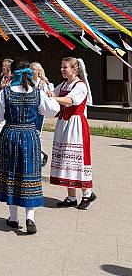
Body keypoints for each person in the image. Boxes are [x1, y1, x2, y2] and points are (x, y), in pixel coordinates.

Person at [0, 60, 59, 234]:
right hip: (30, 136)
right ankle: (30, 218)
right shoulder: (37, 93)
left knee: (11, 172)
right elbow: (53, 110)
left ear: (13, 73)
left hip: (10, 134)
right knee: (29, 173)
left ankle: (13, 218)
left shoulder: (6, 92)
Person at [49, 57, 97, 210]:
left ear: (75, 69)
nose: (62, 70)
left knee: (77, 160)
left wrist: (54, 97)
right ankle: (71, 197)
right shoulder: (64, 84)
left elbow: (71, 100)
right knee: (65, 159)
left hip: (76, 124)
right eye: (62, 67)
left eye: (65, 67)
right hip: (64, 123)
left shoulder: (80, 85)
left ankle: (87, 193)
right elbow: (51, 93)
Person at [31, 62, 54, 167]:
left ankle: (39, 156)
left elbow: (49, 98)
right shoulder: (28, 82)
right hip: (29, 111)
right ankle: (36, 155)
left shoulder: (43, 84)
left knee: (36, 134)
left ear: (39, 71)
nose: (31, 71)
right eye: (30, 69)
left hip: (39, 113)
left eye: (33, 69)